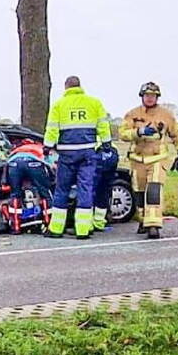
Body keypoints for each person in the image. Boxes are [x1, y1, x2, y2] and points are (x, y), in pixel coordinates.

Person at [43, 76, 112, 239]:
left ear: (66, 87)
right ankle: (83, 230)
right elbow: (103, 125)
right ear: (80, 87)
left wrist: (47, 146)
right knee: (85, 189)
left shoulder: (59, 105)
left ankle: (56, 229)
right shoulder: (94, 103)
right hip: (88, 152)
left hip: (66, 153)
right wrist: (106, 144)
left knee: (62, 189)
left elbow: (52, 129)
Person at [119, 82, 178, 239]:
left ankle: (153, 225)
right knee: (139, 192)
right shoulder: (132, 114)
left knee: (153, 190)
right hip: (137, 159)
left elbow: (176, 135)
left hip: (157, 158)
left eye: (153, 96)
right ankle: (144, 220)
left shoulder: (166, 115)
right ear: (142, 96)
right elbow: (123, 133)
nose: (150, 98)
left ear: (157, 97)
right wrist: (139, 131)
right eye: (147, 95)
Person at [5, 139, 52, 206]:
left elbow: (7, 164)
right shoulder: (40, 147)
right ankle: (48, 208)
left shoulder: (17, 149)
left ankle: (14, 208)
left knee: (15, 193)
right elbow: (48, 164)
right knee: (44, 191)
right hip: (34, 162)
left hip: (14, 163)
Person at [91, 143, 120, 231]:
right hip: (104, 175)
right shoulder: (111, 146)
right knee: (102, 195)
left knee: (90, 195)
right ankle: (99, 222)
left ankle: (91, 223)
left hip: (96, 173)